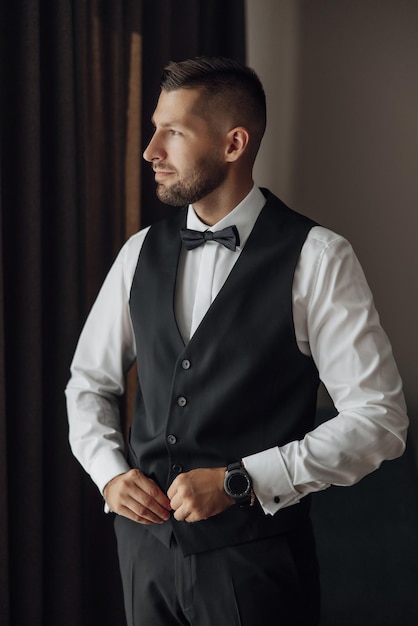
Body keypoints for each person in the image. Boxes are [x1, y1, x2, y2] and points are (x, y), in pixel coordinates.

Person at [65, 56, 408, 626]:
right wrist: (109, 472)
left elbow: (381, 420)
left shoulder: (318, 257)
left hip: (258, 565)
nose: (151, 151)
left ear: (233, 145)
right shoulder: (137, 254)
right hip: (144, 557)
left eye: (173, 132)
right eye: (155, 130)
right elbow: (89, 383)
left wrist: (241, 480)